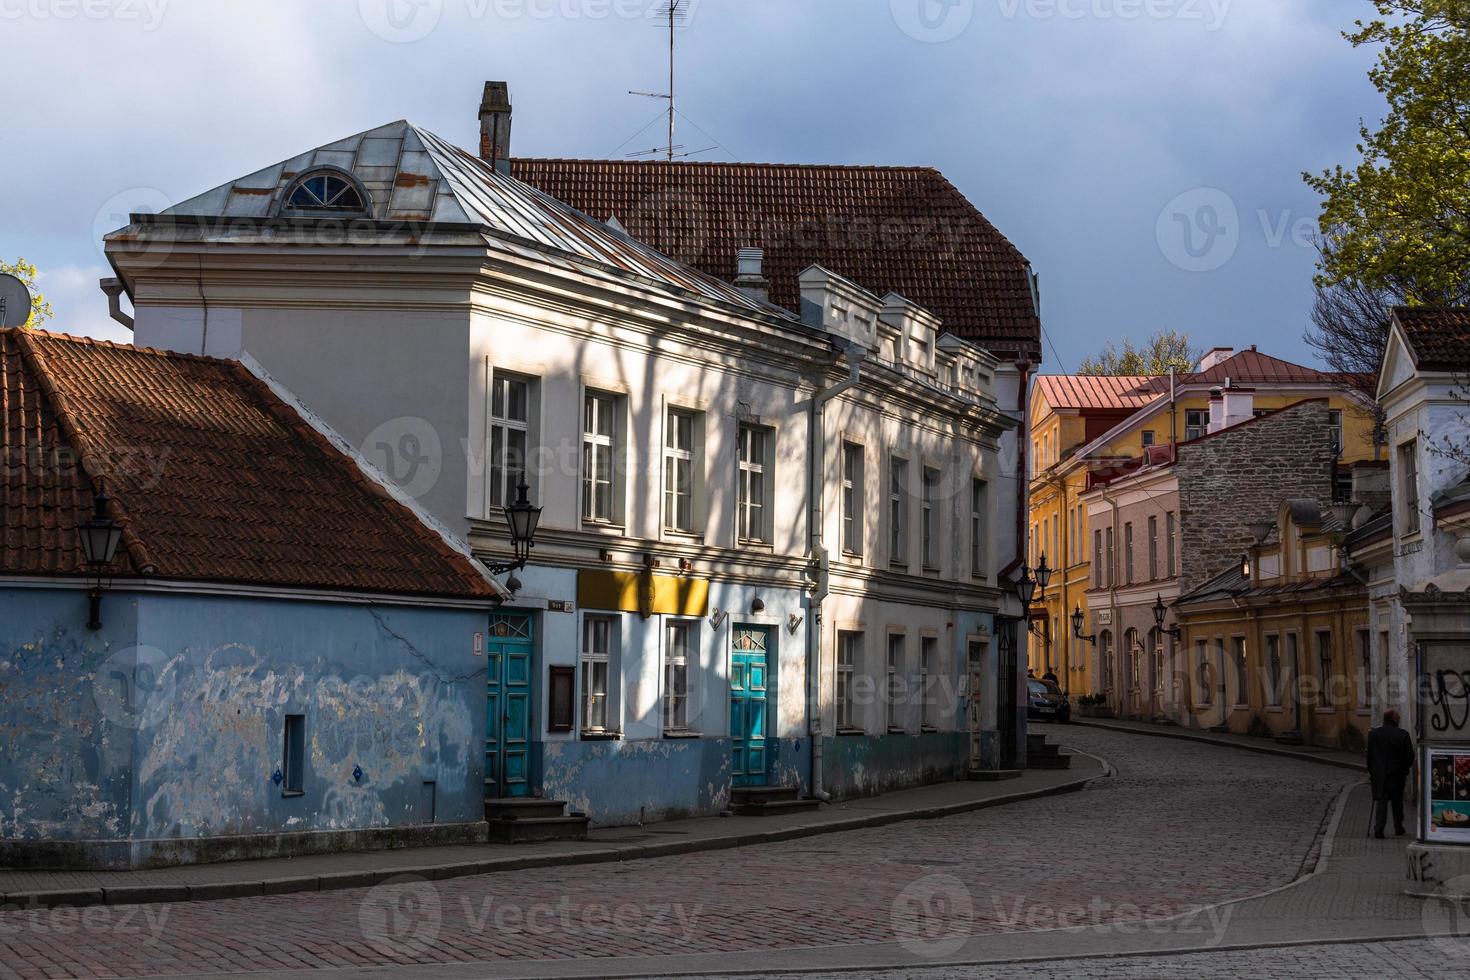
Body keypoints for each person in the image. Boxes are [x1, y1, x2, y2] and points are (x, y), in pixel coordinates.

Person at [1366, 709, 1416, 839]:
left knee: (1381, 801)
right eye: (1398, 718)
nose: (1399, 720)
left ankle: (1379, 829)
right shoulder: (1402, 734)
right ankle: (1398, 827)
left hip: (1379, 773)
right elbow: (1409, 756)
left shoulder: (1374, 734)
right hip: (1397, 774)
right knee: (1397, 800)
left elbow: (1369, 755)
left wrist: (1372, 770)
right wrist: (1404, 768)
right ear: (1394, 719)